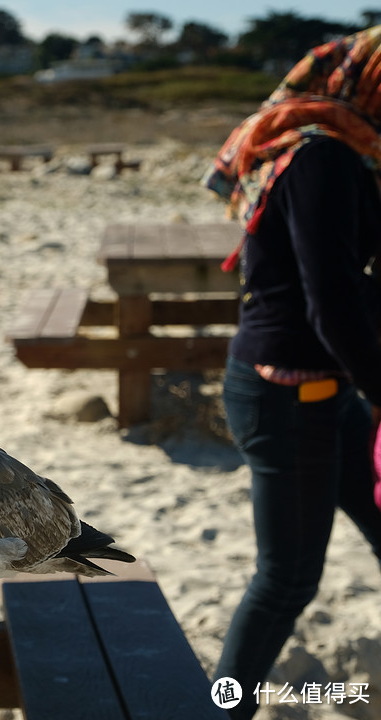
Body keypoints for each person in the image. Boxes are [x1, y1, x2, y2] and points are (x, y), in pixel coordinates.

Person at [203, 25, 381, 718]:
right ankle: (223, 707)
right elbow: (331, 302)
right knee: (286, 580)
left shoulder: (351, 153)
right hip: (286, 395)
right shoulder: (321, 160)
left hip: (327, 389)